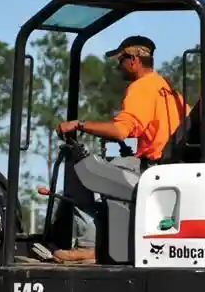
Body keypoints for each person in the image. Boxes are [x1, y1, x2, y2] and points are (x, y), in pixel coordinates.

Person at [49, 35, 188, 263]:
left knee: (80, 170)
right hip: (164, 165)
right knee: (102, 167)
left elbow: (121, 130)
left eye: (121, 60)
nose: (119, 66)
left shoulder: (141, 88)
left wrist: (80, 124)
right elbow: (141, 129)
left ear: (133, 60)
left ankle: (89, 245)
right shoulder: (166, 89)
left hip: (150, 169)